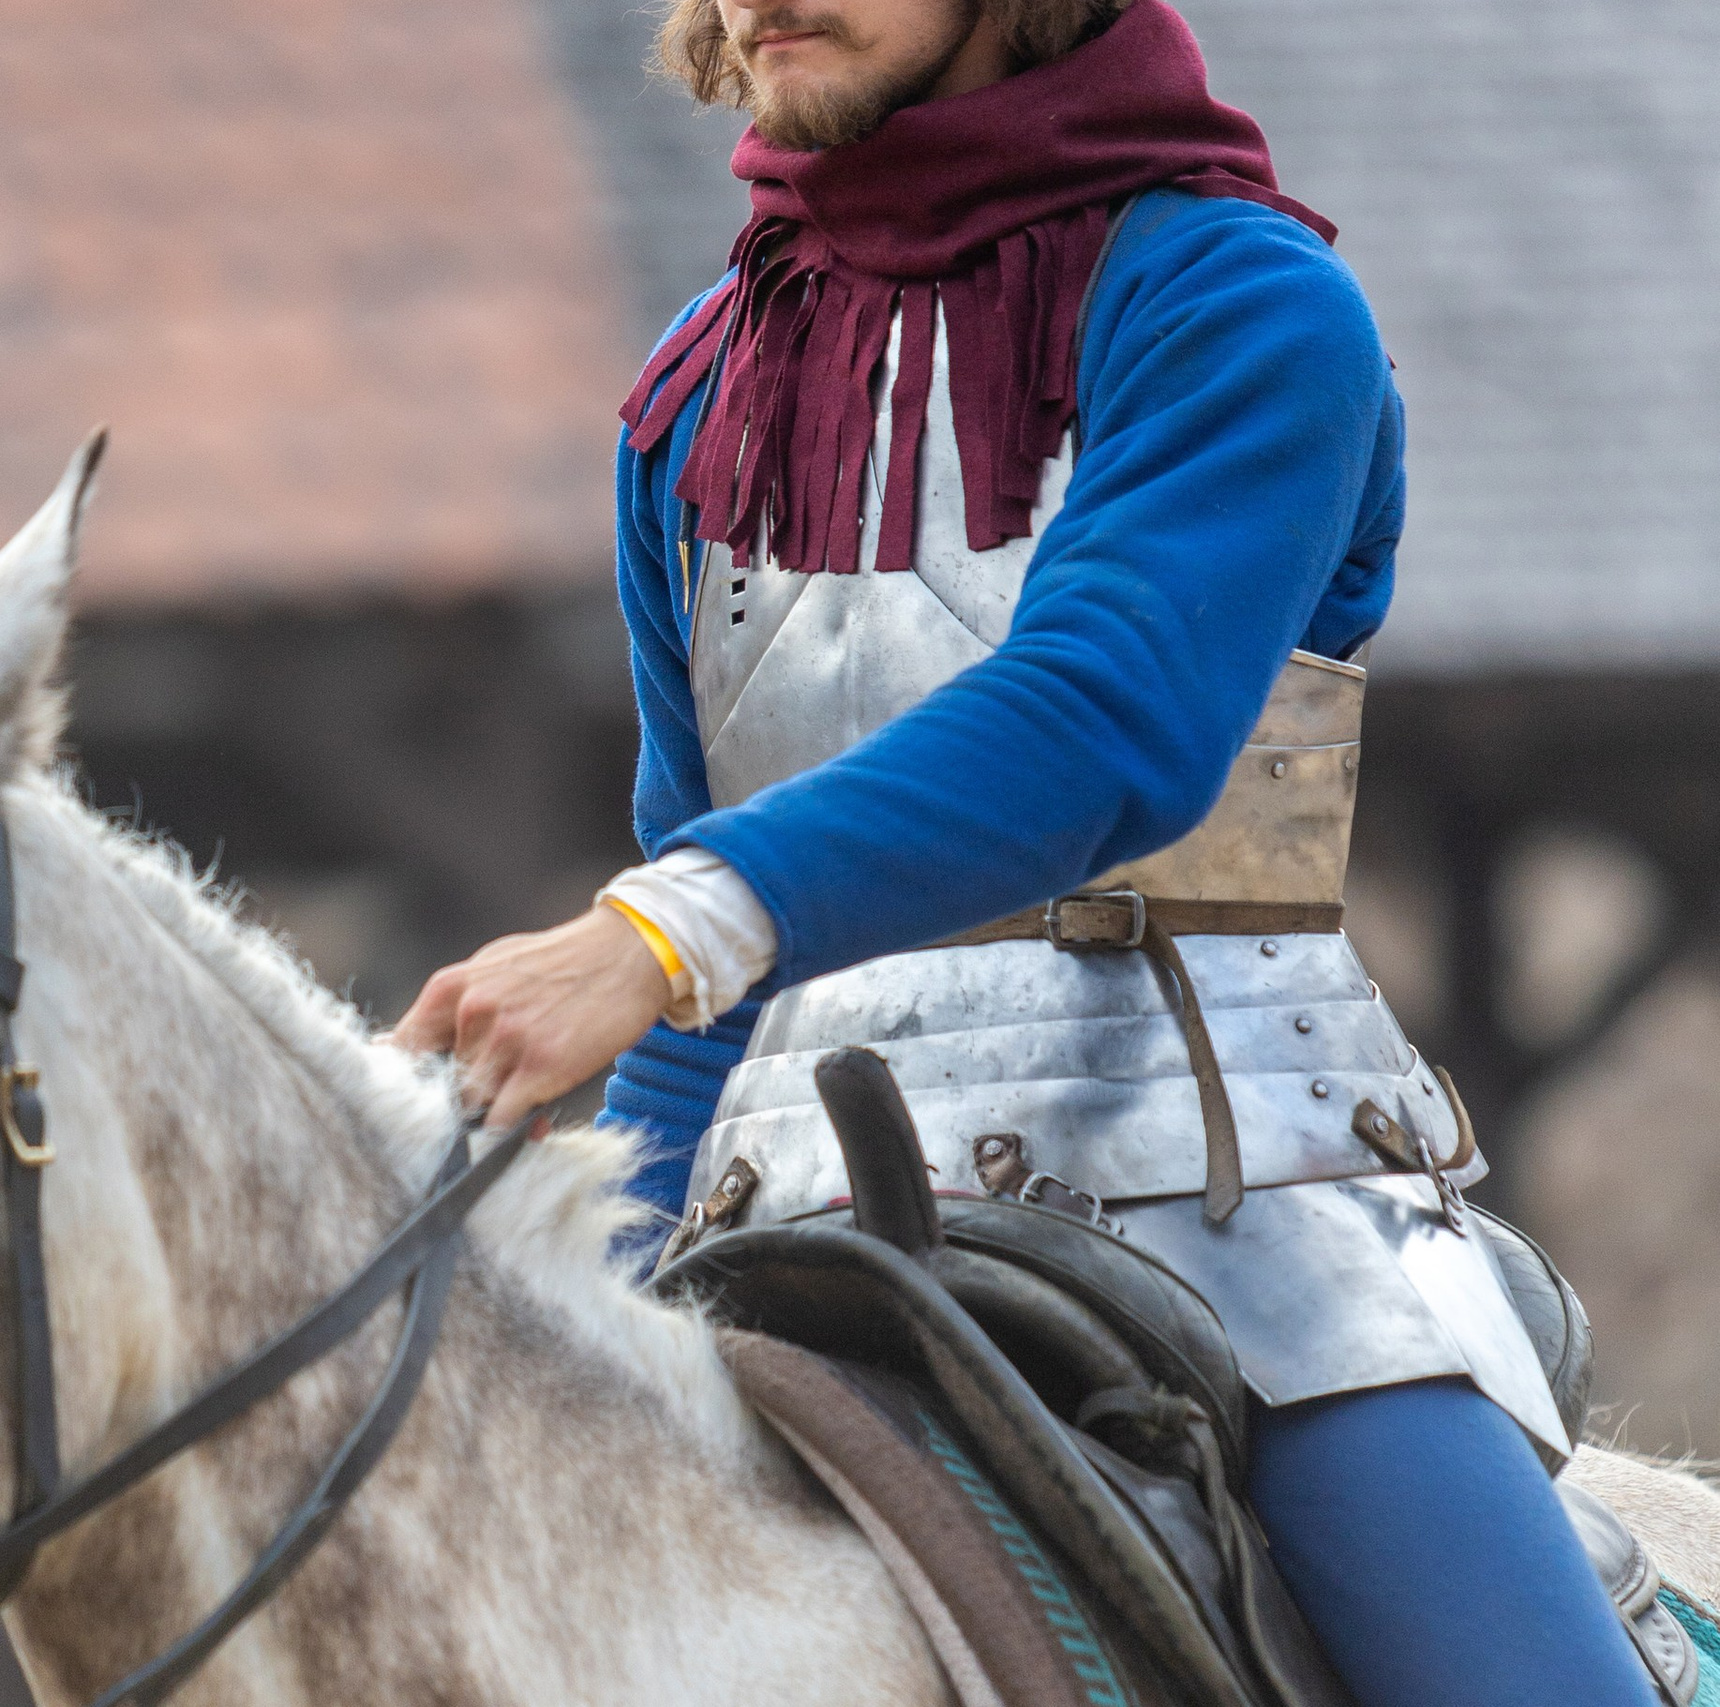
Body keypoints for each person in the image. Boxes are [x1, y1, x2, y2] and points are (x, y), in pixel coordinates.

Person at [393, 3, 1662, 1703]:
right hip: (775, 1221)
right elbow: (703, 1003)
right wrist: (575, 1306)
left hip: (1234, 1229)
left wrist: (659, 931)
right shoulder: (700, 389)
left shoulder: (1241, 303)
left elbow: (1102, 714)